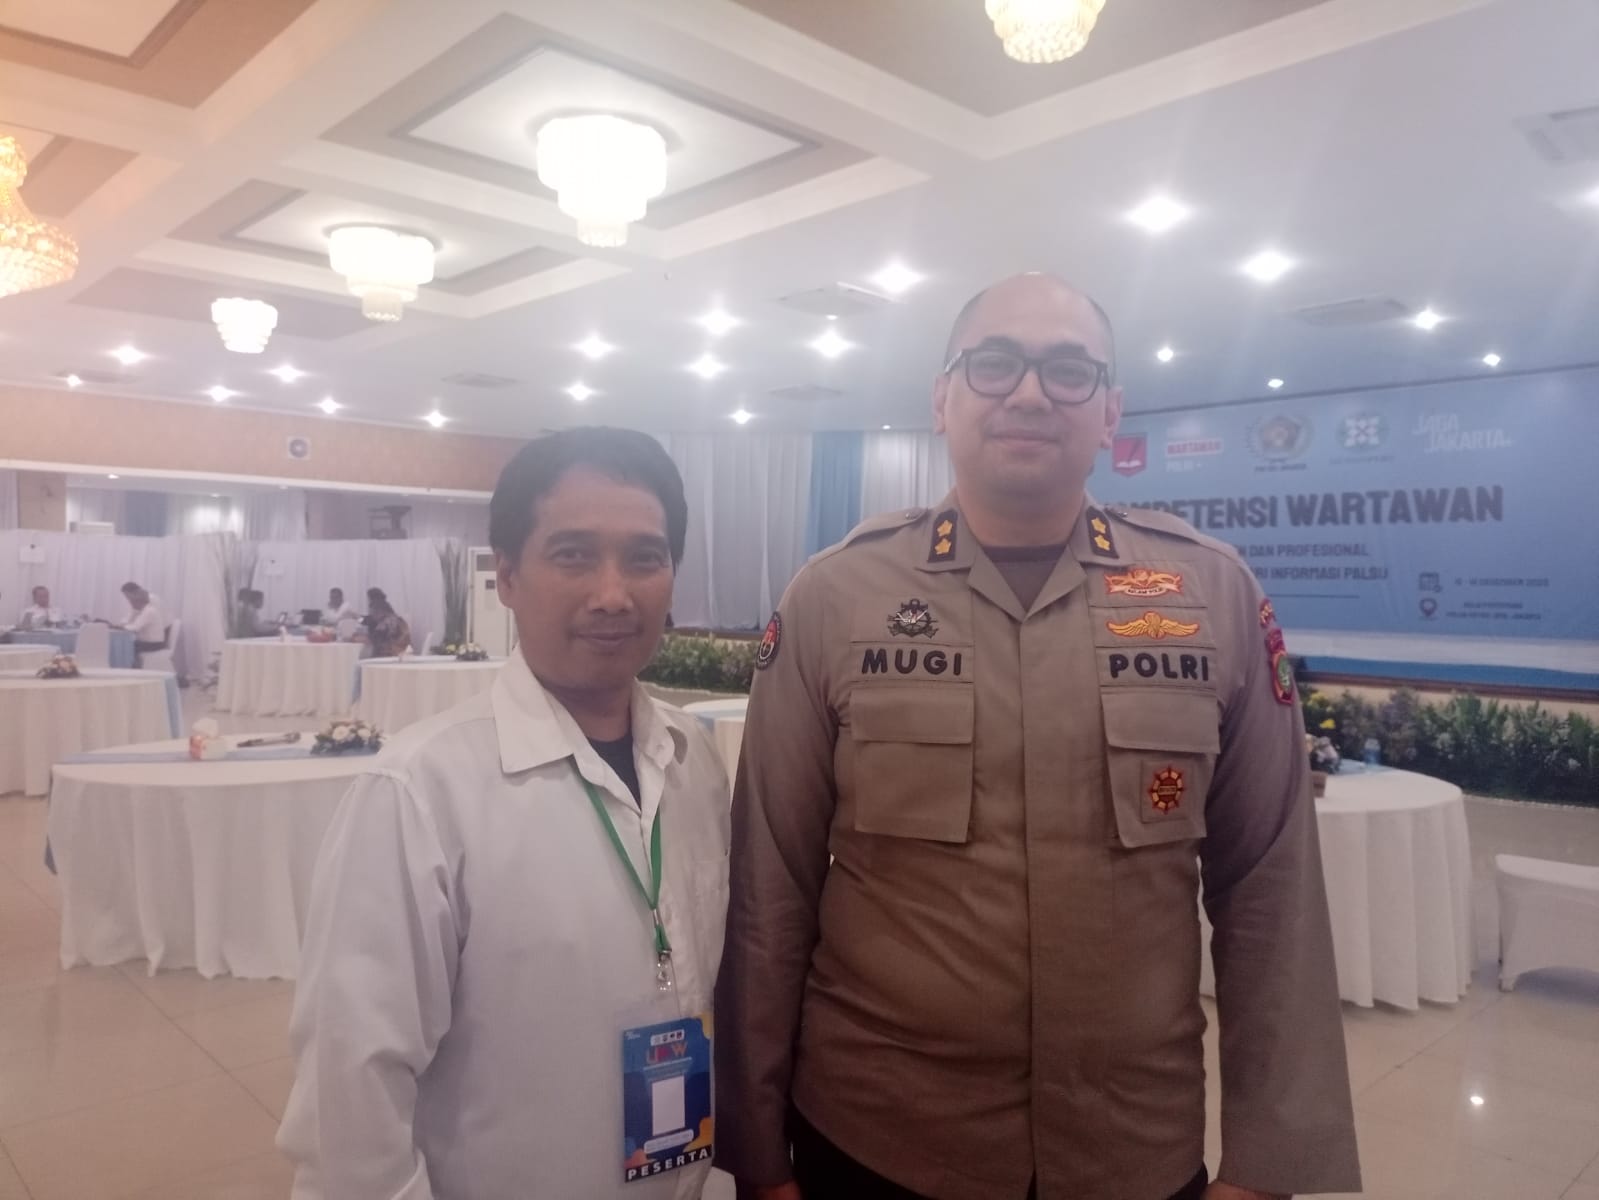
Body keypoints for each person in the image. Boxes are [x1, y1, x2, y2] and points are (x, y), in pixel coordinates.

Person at [715, 273, 1360, 1200]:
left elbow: (1272, 885)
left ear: (1110, 413)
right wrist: (754, 1147)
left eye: (1067, 370)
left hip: (1130, 1146)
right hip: (876, 1137)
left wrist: (1265, 1165)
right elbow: (767, 885)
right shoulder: (834, 596)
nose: (1027, 393)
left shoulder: (1209, 592)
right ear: (942, 399)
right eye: (993, 364)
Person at [279, 427, 729, 1199]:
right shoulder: (419, 792)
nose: (613, 594)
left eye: (644, 558)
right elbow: (349, 1096)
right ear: (509, 577)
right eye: (573, 555)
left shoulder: (693, 762)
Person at [119, 582, 167, 666]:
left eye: (129, 598)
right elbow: (132, 617)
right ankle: (130, 666)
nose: (129, 601)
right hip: (152, 639)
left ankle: (129, 667)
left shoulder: (150, 608)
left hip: (155, 642)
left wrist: (123, 627)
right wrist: (123, 624)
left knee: (127, 646)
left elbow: (136, 627)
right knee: (129, 644)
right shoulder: (144, 607)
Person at [355, 590, 412, 657]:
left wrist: (356, 638)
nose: (372, 616)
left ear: (379, 611)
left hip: (390, 655)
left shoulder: (385, 623)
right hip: (401, 653)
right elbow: (365, 620)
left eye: (372, 613)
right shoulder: (395, 618)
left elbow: (372, 639)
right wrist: (355, 617)